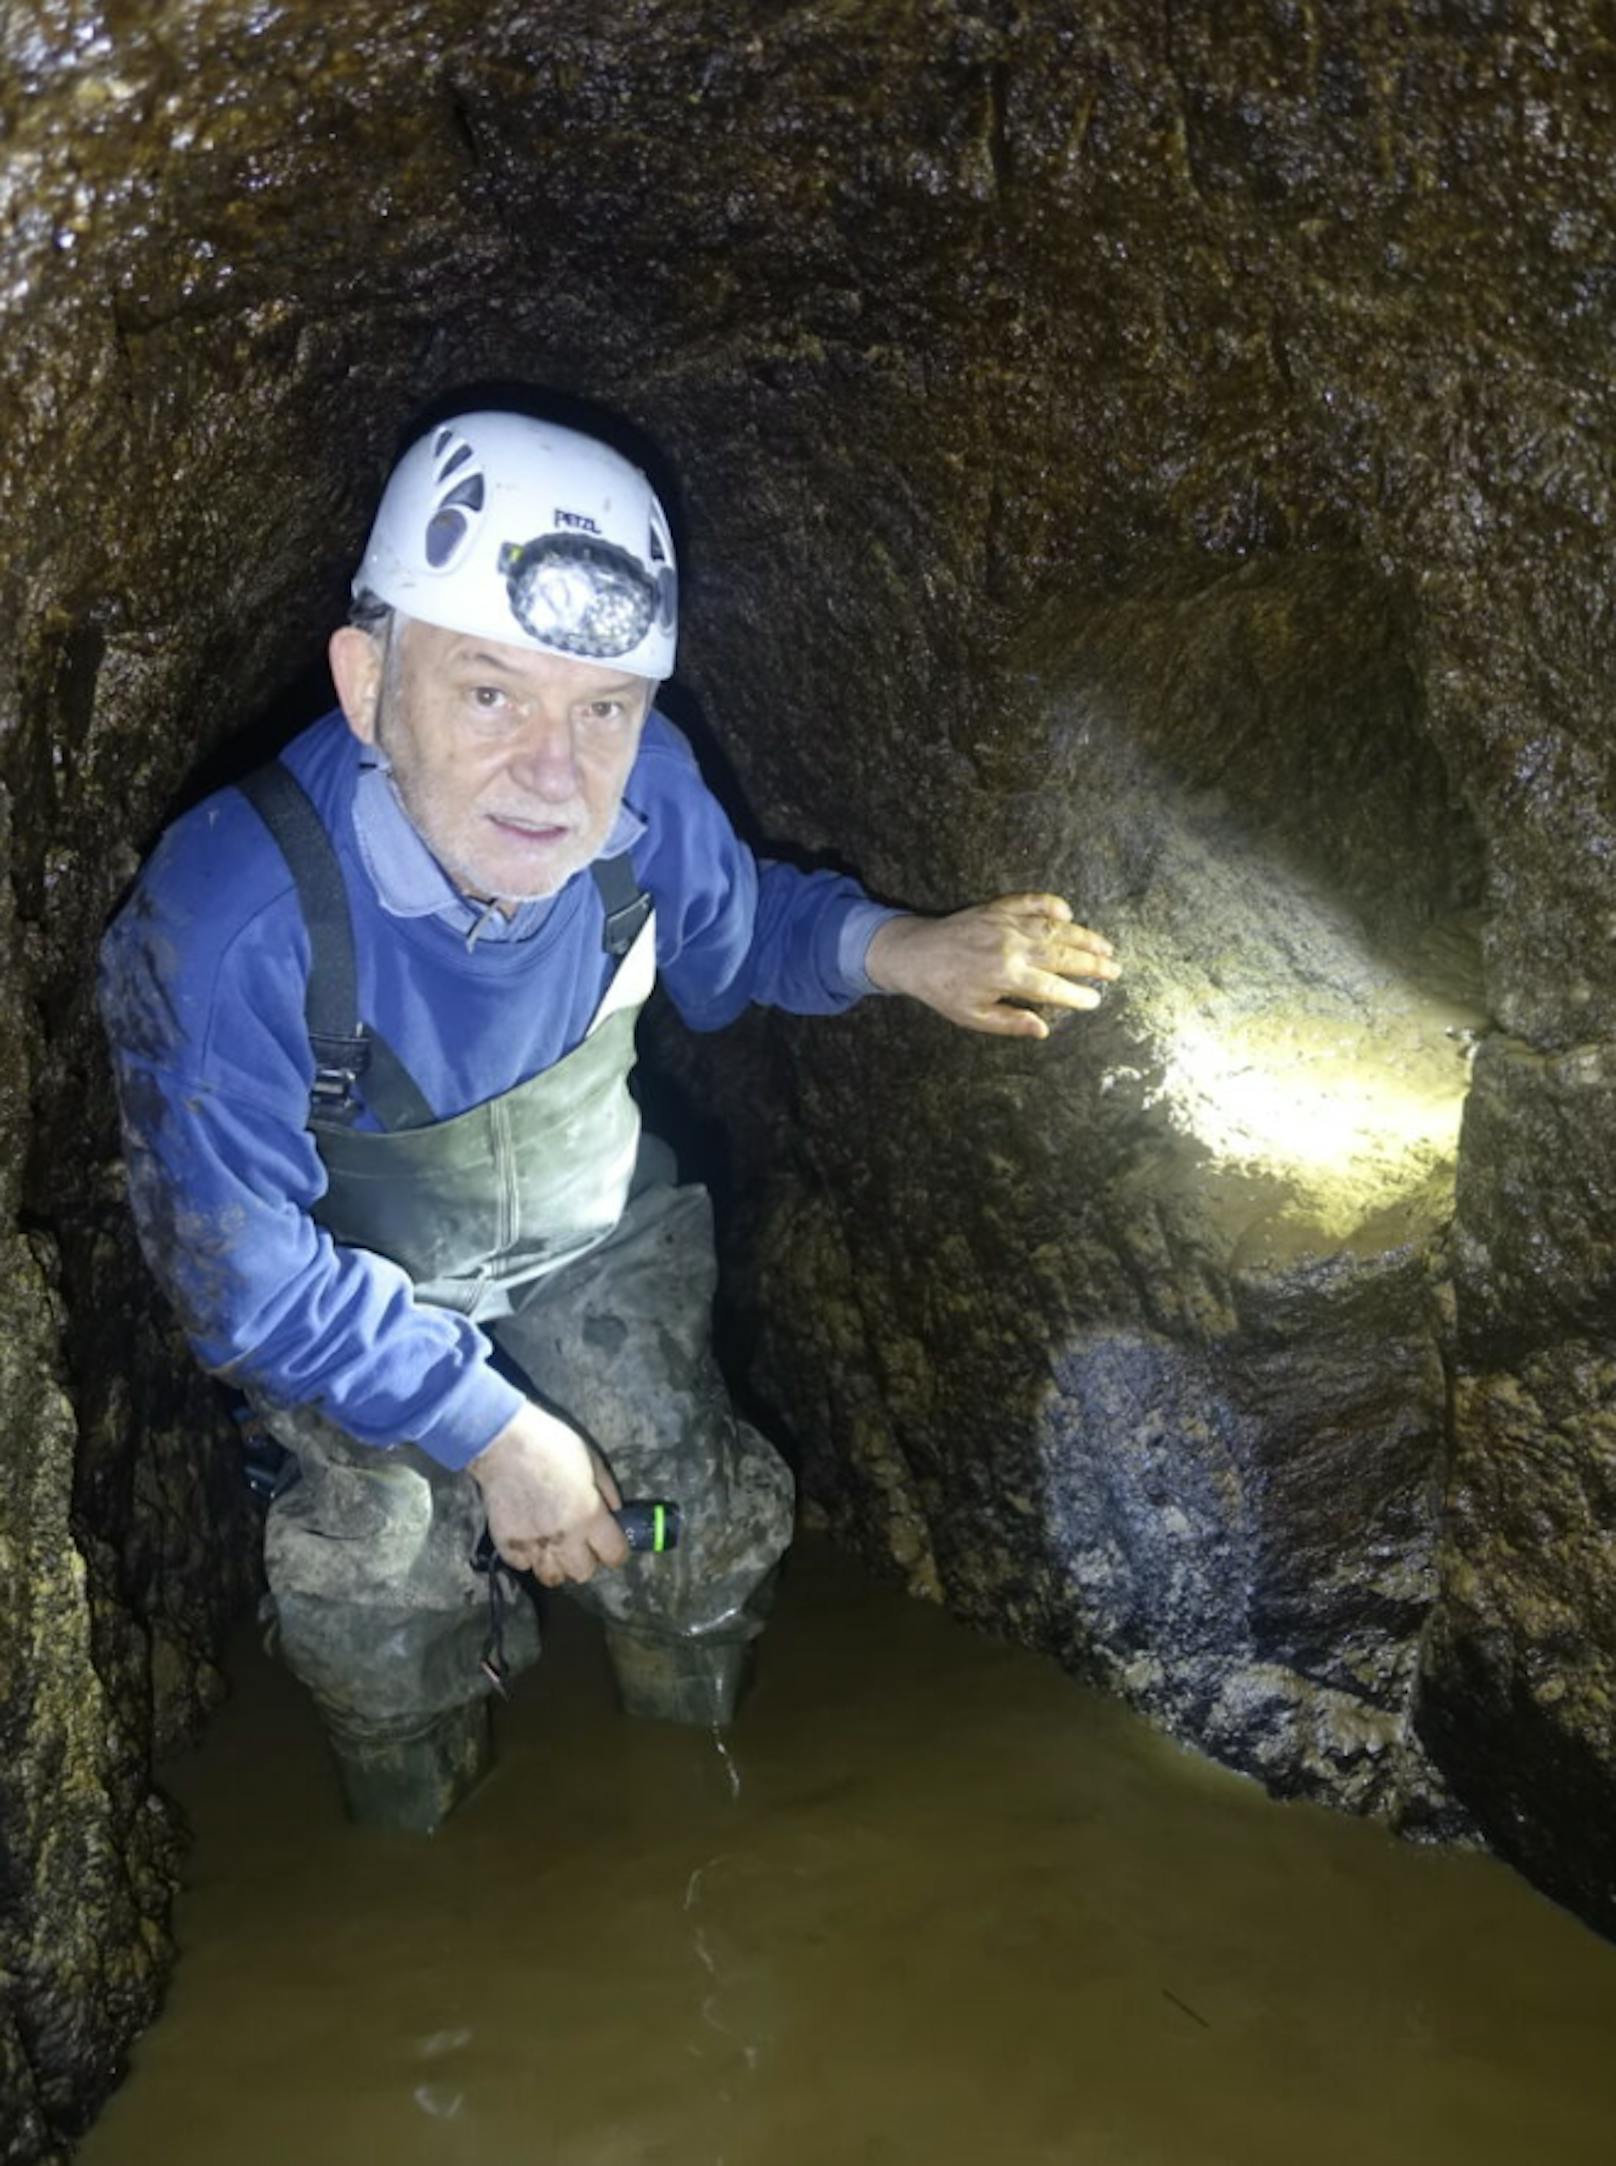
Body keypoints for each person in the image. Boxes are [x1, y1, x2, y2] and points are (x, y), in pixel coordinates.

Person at [98, 408, 1119, 1831]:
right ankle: (420, 1894)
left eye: (603, 706)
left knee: (685, 1519)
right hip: (350, 1292)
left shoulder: (649, 803)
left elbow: (744, 931)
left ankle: (702, 1821)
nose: (555, 772)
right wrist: (495, 1432)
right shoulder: (223, 927)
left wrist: (908, 950)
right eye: (488, 693)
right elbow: (238, 1274)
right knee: (381, 1590)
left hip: (589, 1230)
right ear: (364, 679)